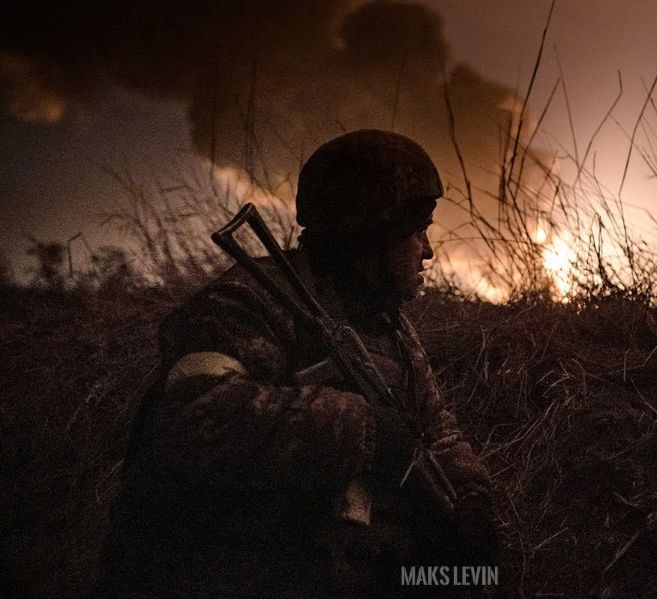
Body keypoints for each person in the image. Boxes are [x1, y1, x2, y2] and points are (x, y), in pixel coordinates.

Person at [100, 130, 497, 597]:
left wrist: (469, 499)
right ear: (370, 240)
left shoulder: (387, 327)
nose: (427, 250)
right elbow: (193, 414)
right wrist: (363, 430)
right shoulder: (251, 301)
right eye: (416, 232)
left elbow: (438, 431)